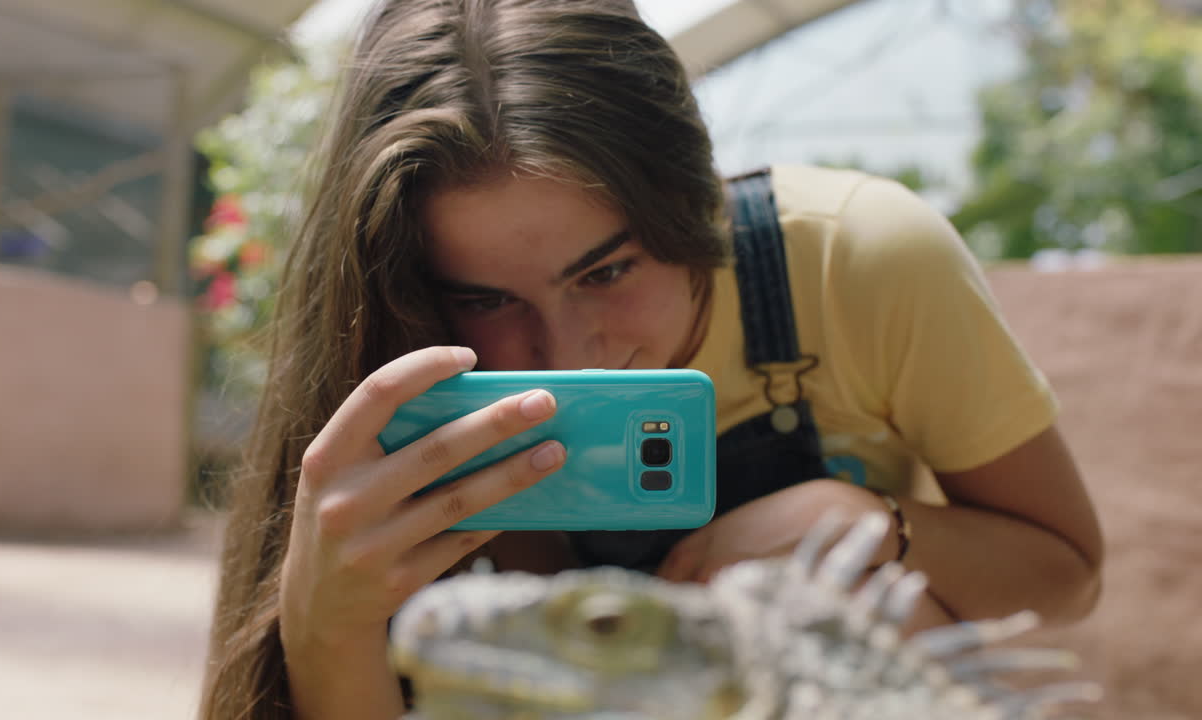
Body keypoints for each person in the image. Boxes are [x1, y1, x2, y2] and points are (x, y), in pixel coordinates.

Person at [200, 1, 1104, 718]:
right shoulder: (406, 356)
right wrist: (327, 627)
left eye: (608, 269)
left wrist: (859, 522)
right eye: (484, 297)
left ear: (697, 195)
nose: (568, 350)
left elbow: (1066, 573)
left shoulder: (859, 255)